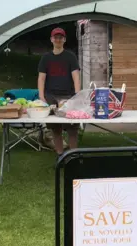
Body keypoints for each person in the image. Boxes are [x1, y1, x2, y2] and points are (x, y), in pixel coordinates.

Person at [37, 27, 81, 156]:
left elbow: (76, 76)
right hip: (50, 96)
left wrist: (77, 96)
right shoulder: (45, 58)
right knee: (56, 128)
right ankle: (60, 155)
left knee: (72, 128)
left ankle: (74, 156)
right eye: (55, 37)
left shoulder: (70, 56)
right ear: (51, 39)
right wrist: (41, 96)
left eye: (60, 37)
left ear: (64, 40)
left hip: (68, 95)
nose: (58, 40)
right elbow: (41, 78)